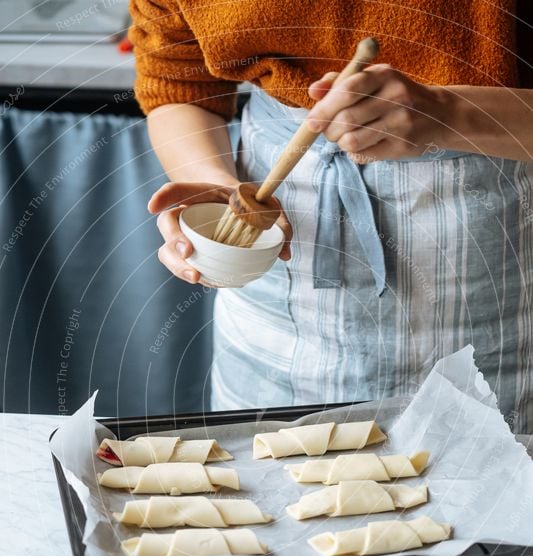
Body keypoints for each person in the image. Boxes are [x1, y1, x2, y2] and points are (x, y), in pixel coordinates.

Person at [129, 1, 533, 431]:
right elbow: (175, 79)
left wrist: (450, 114)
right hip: (275, 305)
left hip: (495, 274)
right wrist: (213, 183)